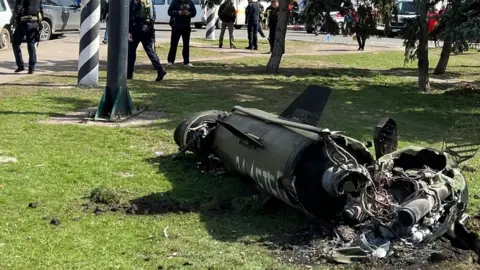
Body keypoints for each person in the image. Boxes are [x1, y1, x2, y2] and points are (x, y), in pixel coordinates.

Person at [128, 0, 167, 81]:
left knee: (131, 52)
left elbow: (131, 16)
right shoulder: (149, 1)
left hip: (136, 28)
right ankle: (160, 69)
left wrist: (129, 31)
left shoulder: (134, 1)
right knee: (150, 50)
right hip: (148, 28)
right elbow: (153, 15)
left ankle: (129, 73)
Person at [10, 0, 43, 74]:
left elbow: (18, 8)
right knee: (31, 44)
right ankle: (31, 68)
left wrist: (12, 21)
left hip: (25, 22)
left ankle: (20, 65)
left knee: (15, 43)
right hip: (35, 23)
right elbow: (41, 9)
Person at [167, 0, 196, 67]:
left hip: (186, 27)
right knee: (173, 44)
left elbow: (194, 13)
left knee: (186, 45)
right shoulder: (175, 2)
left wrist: (189, 13)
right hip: (176, 26)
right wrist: (178, 12)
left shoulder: (190, 2)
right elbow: (169, 12)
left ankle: (186, 62)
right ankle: (170, 61)